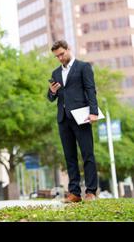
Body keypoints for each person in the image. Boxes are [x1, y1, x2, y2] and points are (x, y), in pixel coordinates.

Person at [47, 40, 98, 203]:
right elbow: (51, 98)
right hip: (63, 119)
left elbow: (90, 90)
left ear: (69, 49)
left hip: (81, 117)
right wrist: (52, 92)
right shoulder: (55, 73)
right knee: (70, 157)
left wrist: (93, 112)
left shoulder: (83, 67)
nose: (60, 58)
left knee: (87, 154)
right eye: (57, 56)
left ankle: (91, 192)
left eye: (62, 54)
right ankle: (74, 193)